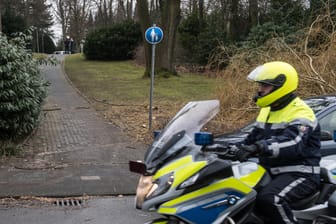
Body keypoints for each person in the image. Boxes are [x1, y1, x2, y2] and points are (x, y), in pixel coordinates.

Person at [235, 61, 321, 224]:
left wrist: (259, 147)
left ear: (282, 85)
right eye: (260, 85)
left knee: (270, 199)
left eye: (265, 86)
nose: (260, 90)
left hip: (301, 173)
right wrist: (219, 148)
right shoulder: (267, 110)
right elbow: (250, 139)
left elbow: (293, 143)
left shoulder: (301, 112)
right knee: (239, 194)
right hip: (271, 172)